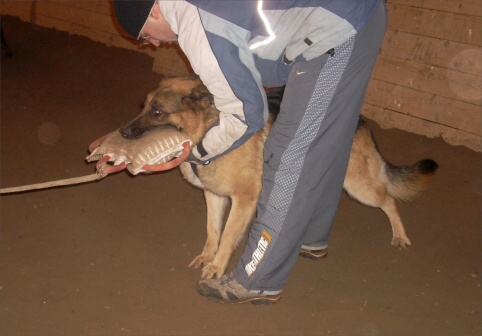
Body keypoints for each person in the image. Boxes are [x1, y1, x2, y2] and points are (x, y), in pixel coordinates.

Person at [113, 0, 387, 304]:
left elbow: (248, 114)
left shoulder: (197, 25)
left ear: (153, 10)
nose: (151, 43)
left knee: (286, 155)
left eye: (145, 34)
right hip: (353, 16)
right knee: (323, 139)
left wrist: (198, 153)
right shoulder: (195, 12)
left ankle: (258, 280)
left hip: (338, 29)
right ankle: (309, 236)